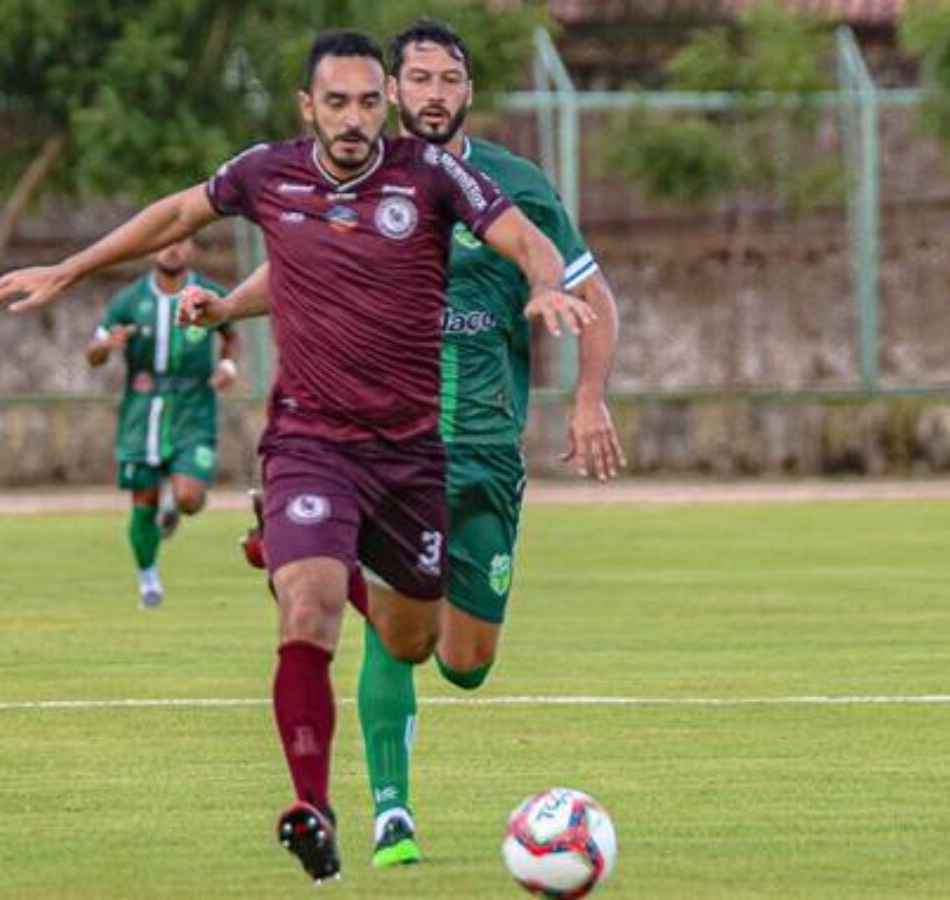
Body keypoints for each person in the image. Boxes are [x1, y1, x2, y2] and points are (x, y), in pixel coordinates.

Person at [0, 30, 595, 885]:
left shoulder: (429, 176)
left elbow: (520, 233)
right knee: (305, 611)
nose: (352, 119)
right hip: (311, 441)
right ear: (308, 106)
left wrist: (540, 280)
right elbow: (175, 213)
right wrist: (71, 267)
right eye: (334, 102)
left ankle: (342, 564)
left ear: (385, 104)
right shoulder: (267, 173)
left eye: (367, 102)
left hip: (413, 454)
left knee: (427, 647)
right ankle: (314, 806)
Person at [179, 19, 625, 870]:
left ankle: (322, 554)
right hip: (382, 445)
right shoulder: (361, 175)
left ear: (466, 92)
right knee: (389, 635)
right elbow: (301, 263)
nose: (432, 94)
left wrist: (590, 397)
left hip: (489, 448)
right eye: (415, 79)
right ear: (392, 91)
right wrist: (227, 307)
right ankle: (391, 817)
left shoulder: (515, 186)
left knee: (464, 663)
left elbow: (588, 290)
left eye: (447, 79)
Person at [85, 237, 238, 610]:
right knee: (143, 501)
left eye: (180, 242)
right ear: (152, 248)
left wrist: (227, 365)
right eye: (164, 242)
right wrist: (106, 348)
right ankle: (148, 581)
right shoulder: (129, 301)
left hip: (194, 405)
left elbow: (231, 333)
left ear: (191, 248)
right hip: (142, 408)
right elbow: (93, 354)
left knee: (190, 498)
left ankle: (177, 504)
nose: (172, 249)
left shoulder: (209, 293)